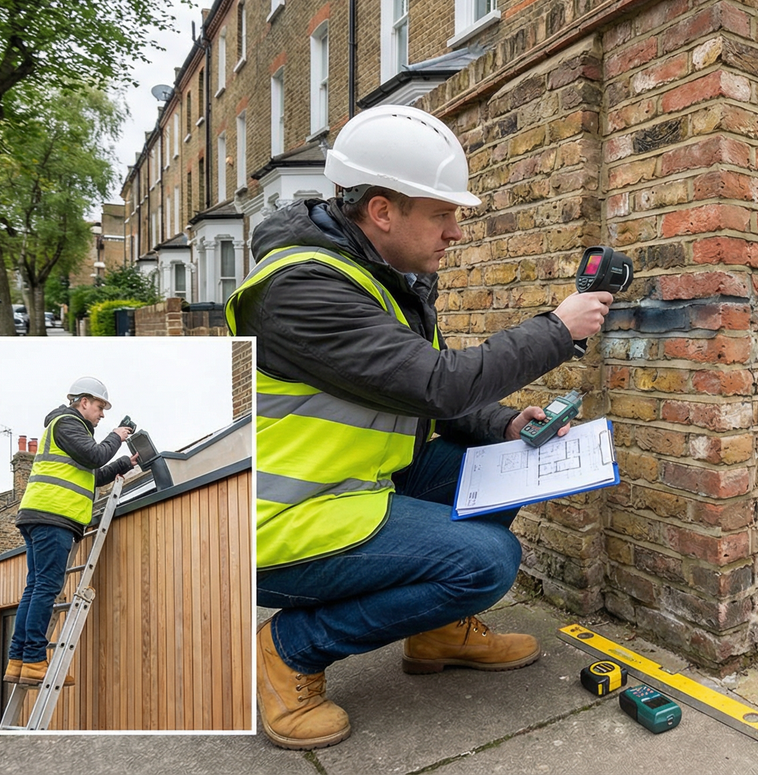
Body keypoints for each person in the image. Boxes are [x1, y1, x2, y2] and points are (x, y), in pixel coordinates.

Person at [226, 104, 613, 750]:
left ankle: (437, 631)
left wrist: (505, 424)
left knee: (506, 464)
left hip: (351, 487)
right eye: (441, 214)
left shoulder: (378, 275)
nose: (455, 232)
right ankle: (289, 648)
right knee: (489, 563)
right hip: (280, 525)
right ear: (382, 211)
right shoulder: (302, 291)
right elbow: (438, 382)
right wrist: (556, 329)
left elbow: (421, 394)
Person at [6, 377, 136, 687]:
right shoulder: (68, 423)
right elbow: (95, 456)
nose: (102, 414)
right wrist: (118, 436)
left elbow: (93, 474)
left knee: (36, 587)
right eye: (100, 407)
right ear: (84, 402)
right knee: (46, 588)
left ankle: (18, 661)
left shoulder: (72, 432)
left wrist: (125, 463)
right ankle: (34, 660)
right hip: (54, 517)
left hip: (43, 515)